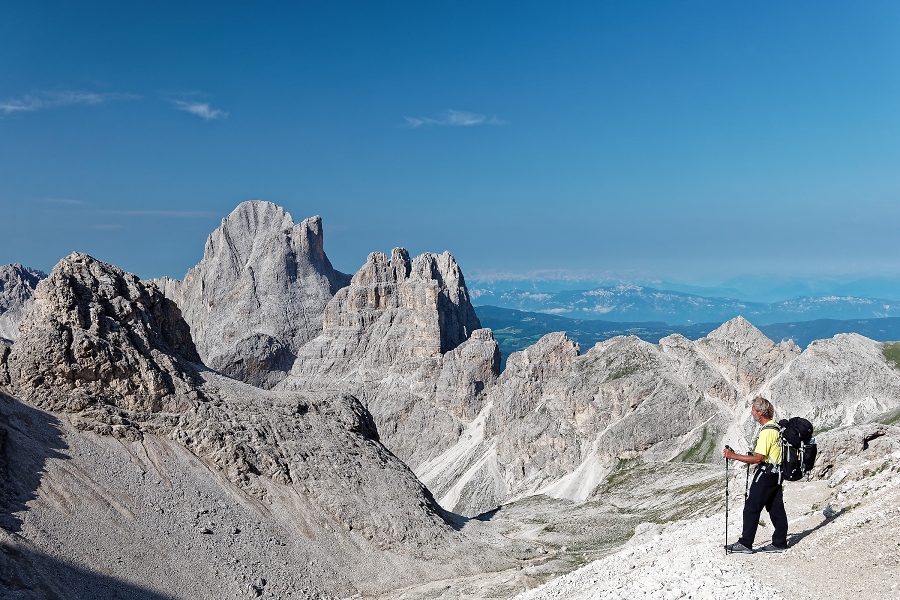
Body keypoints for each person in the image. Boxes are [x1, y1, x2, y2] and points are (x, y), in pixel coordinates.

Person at [723, 396, 788, 554]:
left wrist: (733, 456)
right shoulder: (775, 427)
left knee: (751, 508)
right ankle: (780, 542)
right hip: (776, 474)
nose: (751, 412)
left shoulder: (767, 432)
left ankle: (745, 543)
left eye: (753, 409)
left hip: (766, 475)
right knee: (776, 508)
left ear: (760, 412)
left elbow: (758, 458)